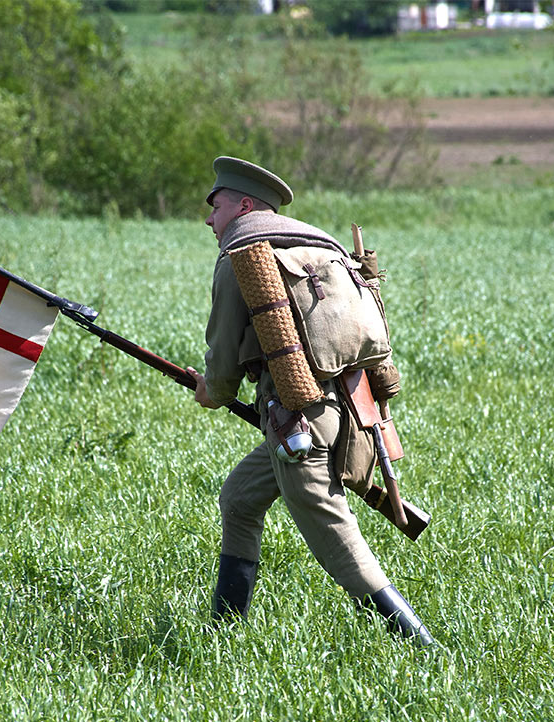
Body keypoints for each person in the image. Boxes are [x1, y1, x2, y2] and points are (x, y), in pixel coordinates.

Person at [186, 156, 434, 646]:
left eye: (216, 208)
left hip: (296, 426)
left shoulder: (240, 255)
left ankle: (421, 647)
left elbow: (222, 368)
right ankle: (225, 632)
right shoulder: (319, 246)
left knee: (337, 541)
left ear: (244, 206)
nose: (210, 220)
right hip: (344, 415)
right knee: (239, 498)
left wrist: (209, 392)